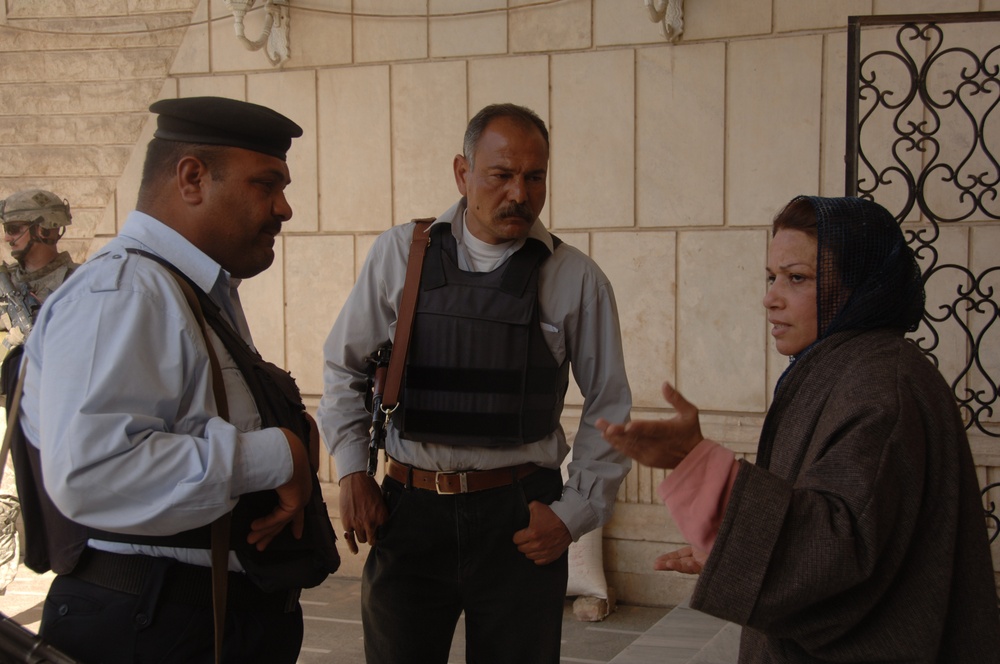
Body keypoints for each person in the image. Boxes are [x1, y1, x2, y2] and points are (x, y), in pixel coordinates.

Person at [597, 195, 1000, 663]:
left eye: (797, 278)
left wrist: (700, 464)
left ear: (858, 285)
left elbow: (836, 553)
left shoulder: (881, 387)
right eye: (771, 277)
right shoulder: (844, 368)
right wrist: (733, 542)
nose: (770, 297)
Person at [17, 96, 332, 664]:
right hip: (152, 625)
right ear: (192, 178)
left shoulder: (185, 291)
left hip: (192, 620)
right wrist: (274, 455)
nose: (284, 209)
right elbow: (92, 470)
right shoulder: (125, 294)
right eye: (267, 185)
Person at [318, 102, 632, 664]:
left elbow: (609, 405)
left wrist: (573, 514)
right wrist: (352, 472)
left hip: (519, 518)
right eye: (502, 174)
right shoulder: (401, 254)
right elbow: (345, 367)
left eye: (534, 177)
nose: (520, 193)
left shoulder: (575, 277)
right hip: (409, 512)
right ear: (463, 174)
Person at [0, 188, 79, 595]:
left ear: (45, 230)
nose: (9, 238)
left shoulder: (80, 286)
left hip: (56, 415)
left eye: (15, 229)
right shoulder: (4, 287)